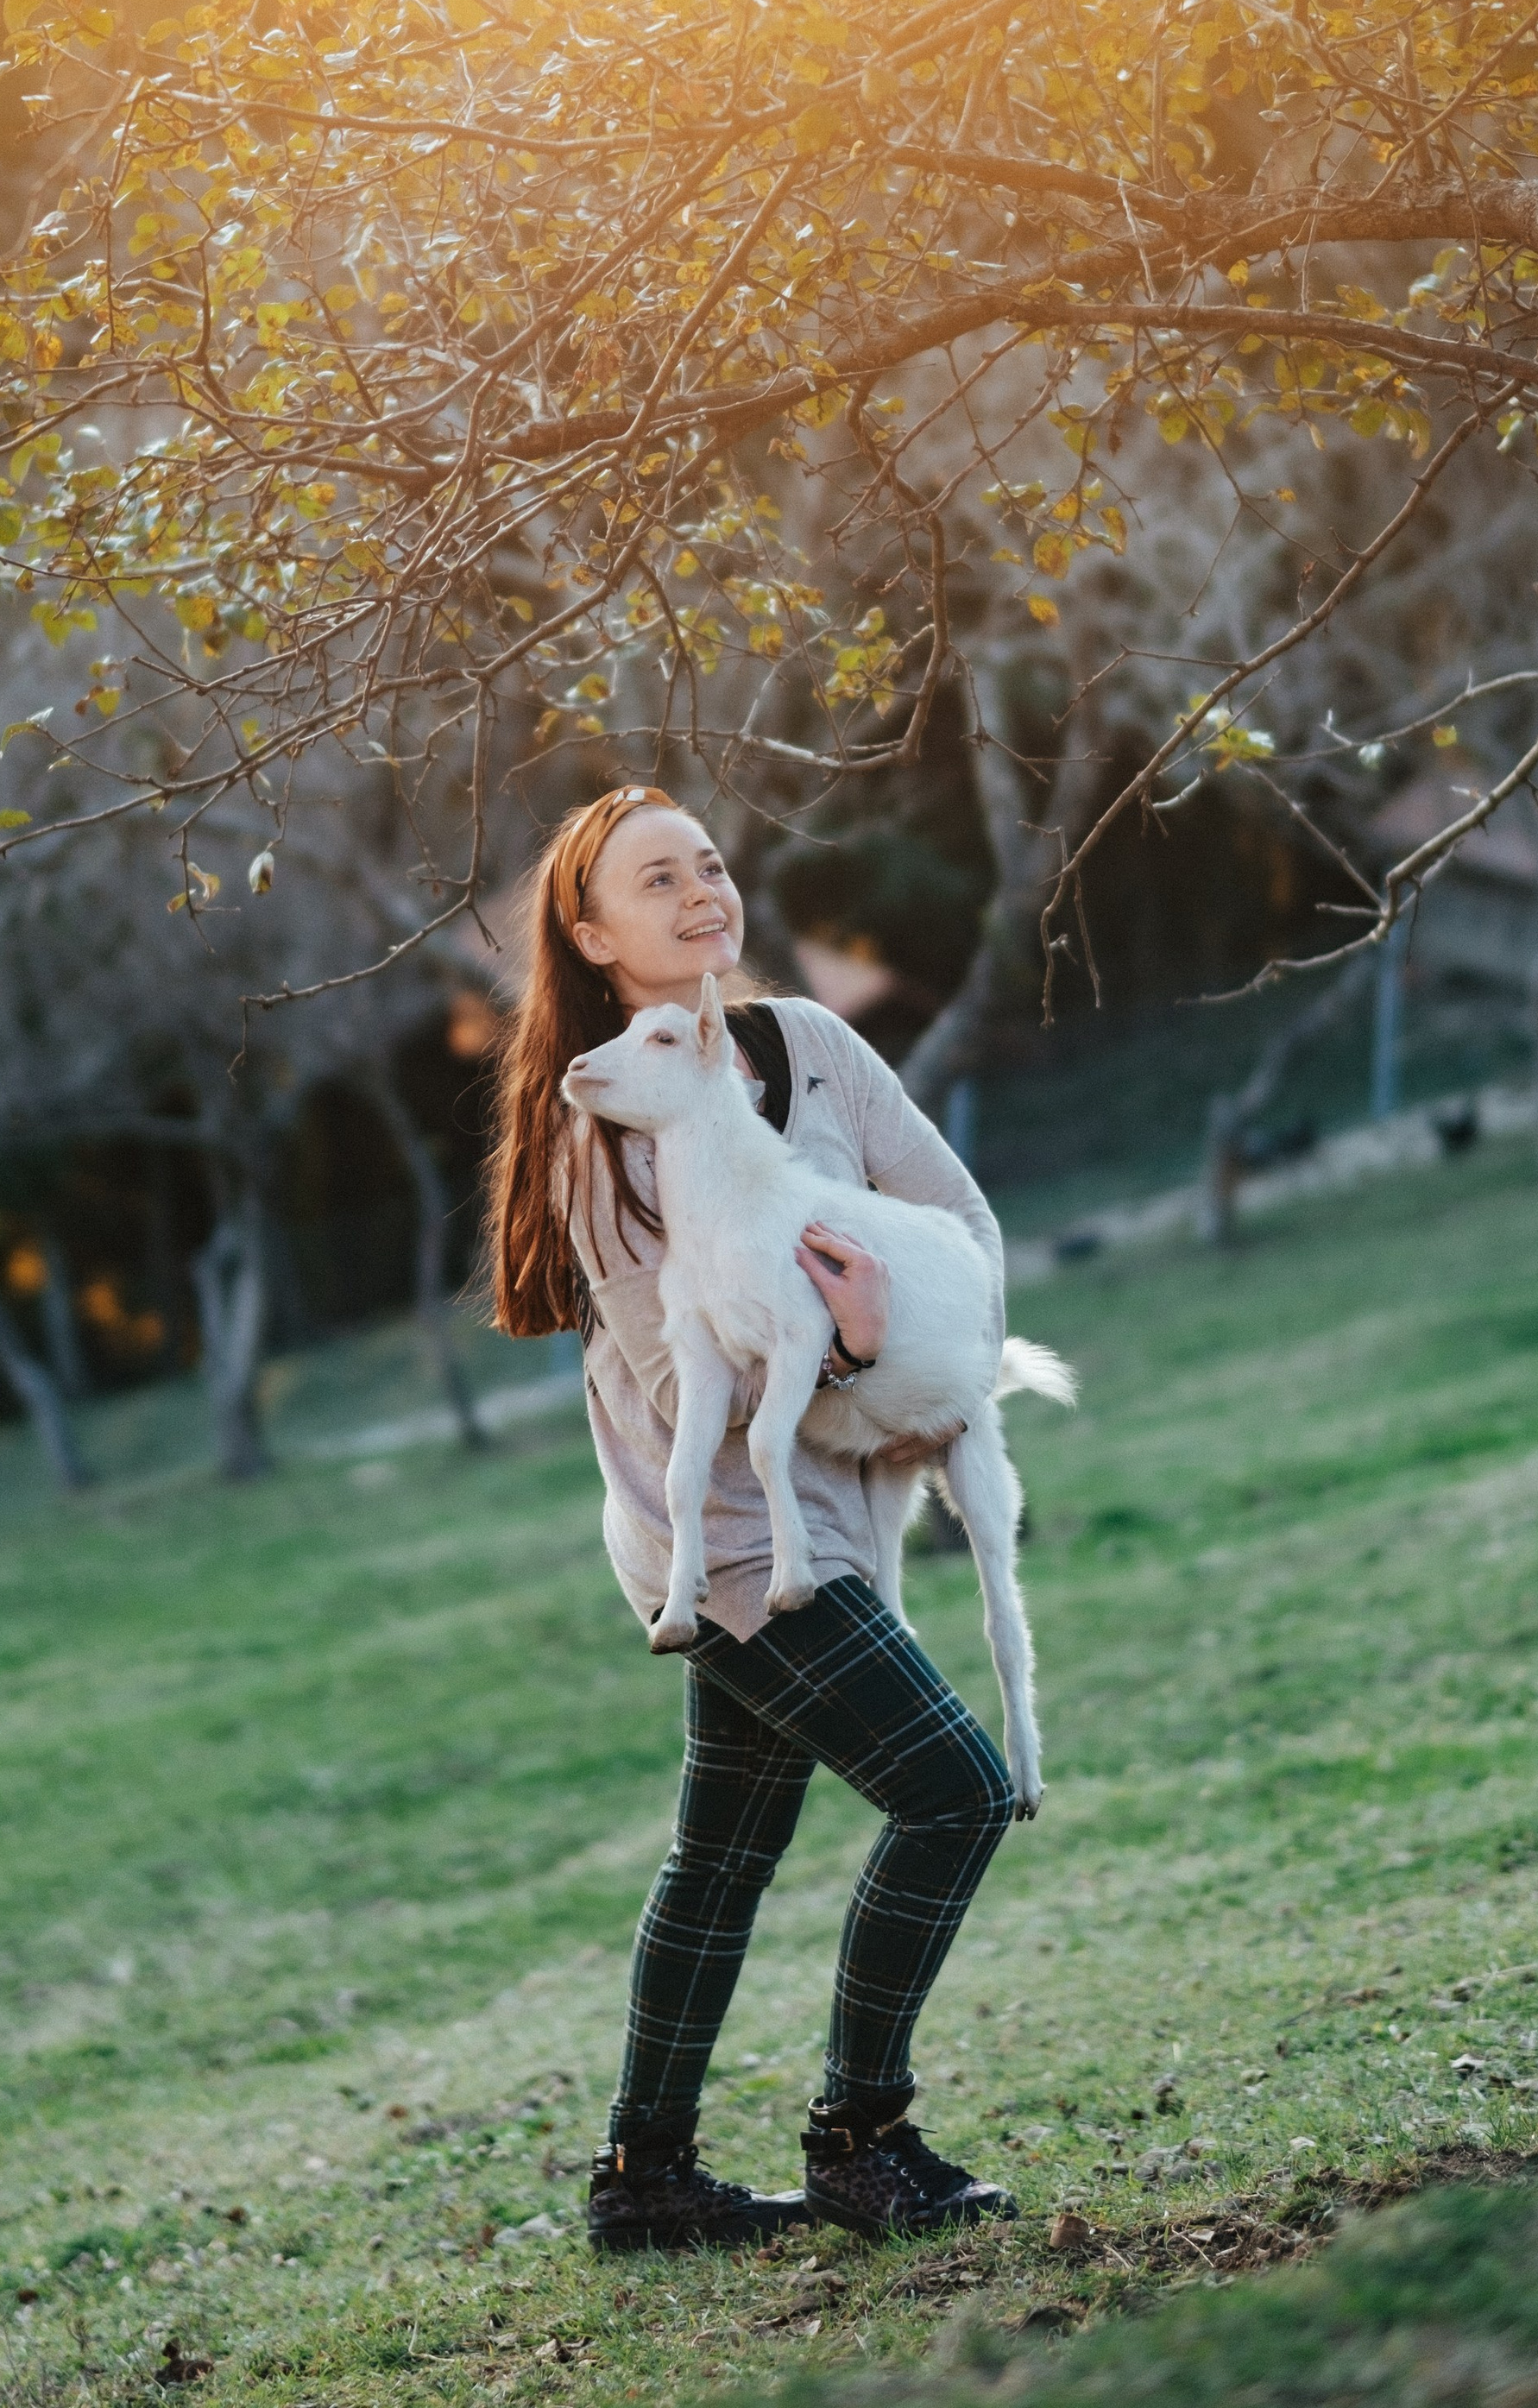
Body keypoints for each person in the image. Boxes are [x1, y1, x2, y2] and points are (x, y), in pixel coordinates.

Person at [485, 783, 1022, 2252]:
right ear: (594, 937)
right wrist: (850, 1351)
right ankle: (861, 2141)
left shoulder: (815, 1050)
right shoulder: (597, 1122)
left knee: (720, 1856)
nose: (701, 892)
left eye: (711, 865)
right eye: (659, 880)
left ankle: (643, 2182)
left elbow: (962, 1228)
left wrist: (925, 1365)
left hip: (852, 1503)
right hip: (724, 1537)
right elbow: (684, 1368)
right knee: (956, 1794)